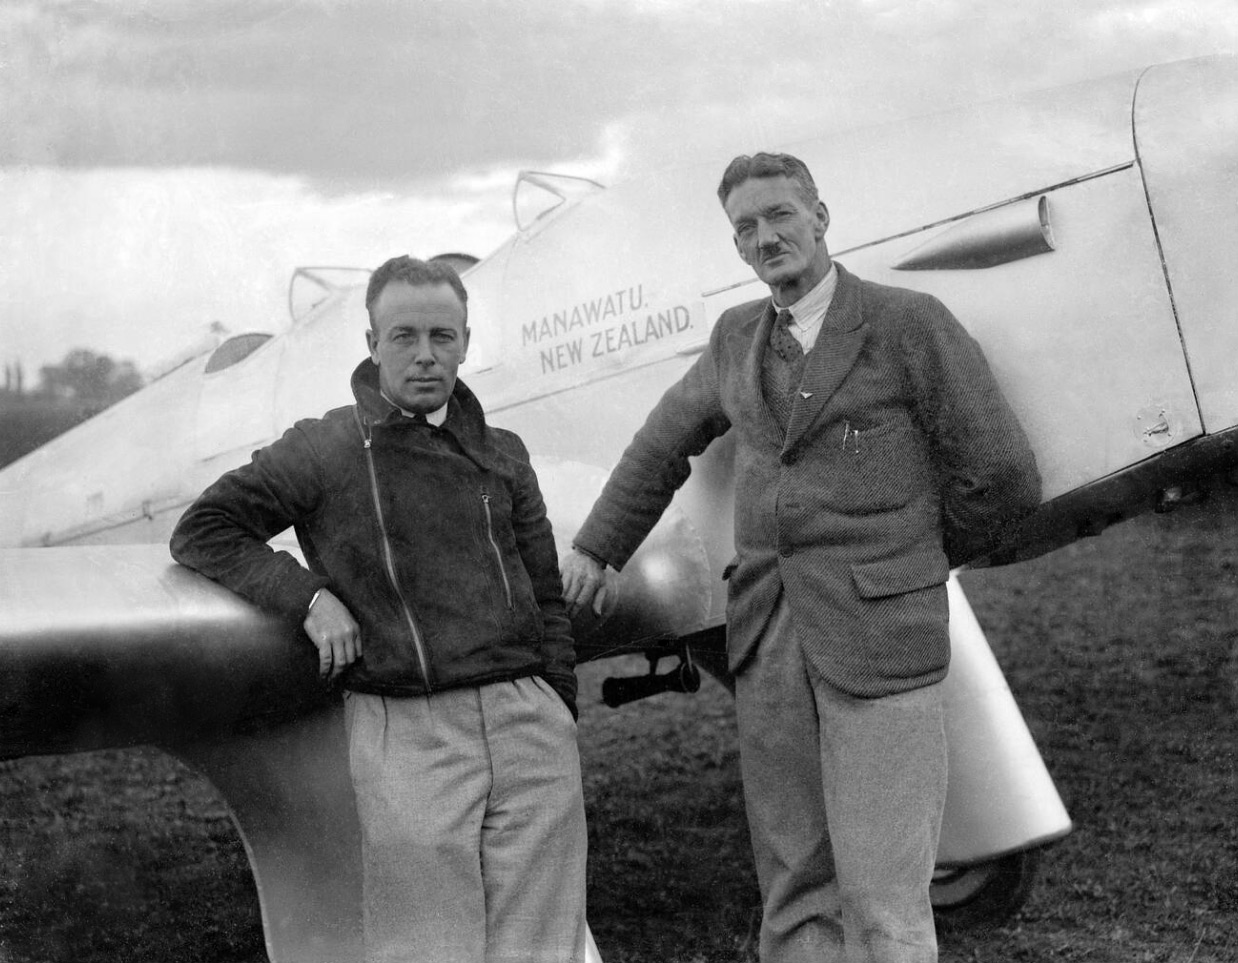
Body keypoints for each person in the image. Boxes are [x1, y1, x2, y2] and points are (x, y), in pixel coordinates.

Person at [561, 153, 1041, 963]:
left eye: (780, 215)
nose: (765, 236)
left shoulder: (908, 323)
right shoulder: (735, 340)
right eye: (745, 227)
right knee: (793, 891)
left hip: (882, 642)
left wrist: (908, 562)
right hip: (770, 644)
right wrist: (595, 547)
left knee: (887, 899)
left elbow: (1001, 474)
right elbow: (660, 444)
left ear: (821, 215)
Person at [171, 255, 586, 963]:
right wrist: (307, 596)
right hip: (407, 726)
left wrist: (557, 701)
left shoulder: (504, 454)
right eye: (404, 336)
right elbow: (204, 530)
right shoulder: (324, 447)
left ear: (464, 341)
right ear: (371, 343)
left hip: (527, 721)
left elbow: (545, 590)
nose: (425, 355)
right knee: (426, 946)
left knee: (542, 943)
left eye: (442, 336)